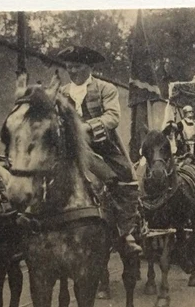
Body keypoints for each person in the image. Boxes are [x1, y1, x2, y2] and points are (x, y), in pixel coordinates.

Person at [56, 45, 141, 256]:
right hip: (67, 145)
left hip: (100, 144)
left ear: (89, 67)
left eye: (76, 66)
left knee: (125, 176)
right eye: (69, 67)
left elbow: (112, 116)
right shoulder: (61, 92)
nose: (72, 71)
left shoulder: (105, 88)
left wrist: (86, 127)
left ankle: (125, 231)